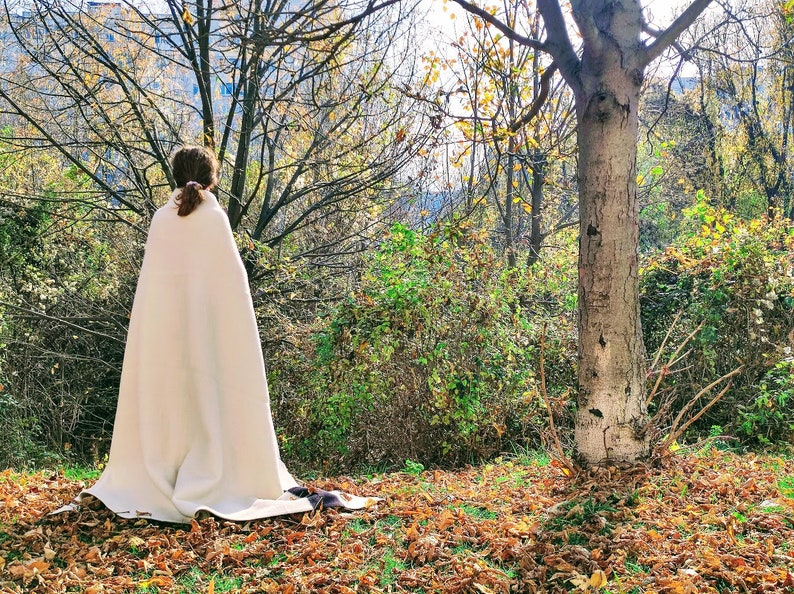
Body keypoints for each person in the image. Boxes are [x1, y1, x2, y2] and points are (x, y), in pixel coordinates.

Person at [58, 146, 375, 523]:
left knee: (171, 406)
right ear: (212, 179)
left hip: (165, 348)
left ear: (175, 176)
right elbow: (231, 294)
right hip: (209, 346)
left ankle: (164, 468)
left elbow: (154, 295)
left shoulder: (162, 219)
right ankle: (213, 470)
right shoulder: (214, 219)